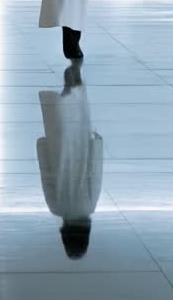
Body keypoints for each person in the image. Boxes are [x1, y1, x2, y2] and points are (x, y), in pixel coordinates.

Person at [36, 64, 103, 259]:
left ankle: (75, 89)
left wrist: (97, 143)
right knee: (62, 122)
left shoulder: (89, 206)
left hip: (82, 150)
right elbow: (46, 175)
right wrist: (42, 145)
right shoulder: (56, 207)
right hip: (58, 151)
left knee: (80, 118)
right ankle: (68, 91)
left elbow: (95, 172)